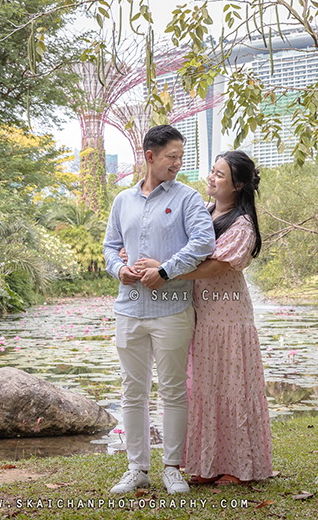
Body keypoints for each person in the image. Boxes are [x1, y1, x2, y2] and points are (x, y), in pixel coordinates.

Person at [134, 150, 273, 485]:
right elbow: (182, 249)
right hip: (199, 312)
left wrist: (165, 272)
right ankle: (207, 464)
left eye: (220, 174)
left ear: (238, 185)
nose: (211, 177)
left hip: (227, 317)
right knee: (202, 389)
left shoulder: (242, 225)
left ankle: (236, 468)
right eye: (212, 171)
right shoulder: (207, 211)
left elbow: (216, 265)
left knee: (230, 387)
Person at [103, 125, 216, 494]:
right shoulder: (122, 201)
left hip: (172, 310)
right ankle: (137, 468)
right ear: (150, 157)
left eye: (181, 157)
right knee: (132, 392)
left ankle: (171, 468)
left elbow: (203, 242)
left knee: (172, 391)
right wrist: (119, 269)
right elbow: (110, 246)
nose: (178, 164)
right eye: (172, 157)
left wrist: (165, 270)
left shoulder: (188, 198)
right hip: (129, 310)